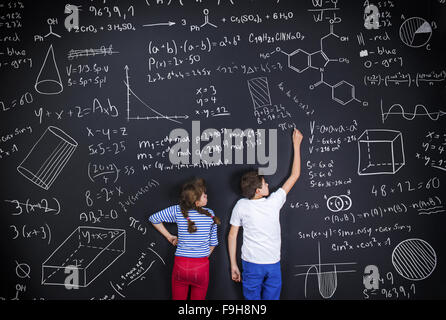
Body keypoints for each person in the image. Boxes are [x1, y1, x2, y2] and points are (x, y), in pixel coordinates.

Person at [228, 128, 303, 300]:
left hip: (252, 264)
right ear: (258, 190)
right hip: (272, 264)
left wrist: (233, 264)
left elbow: (232, 236)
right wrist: (297, 145)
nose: (268, 184)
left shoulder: (241, 205)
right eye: (264, 183)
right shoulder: (274, 202)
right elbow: (295, 175)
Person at [149, 178, 220, 300]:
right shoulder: (210, 214)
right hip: (201, 266)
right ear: (197, 203)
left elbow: (153, 218)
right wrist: (201, 256)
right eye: (204, 195)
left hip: (180, 265)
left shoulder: (177, 210)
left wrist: (169, 237)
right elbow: (213, 243)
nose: (206, 196)